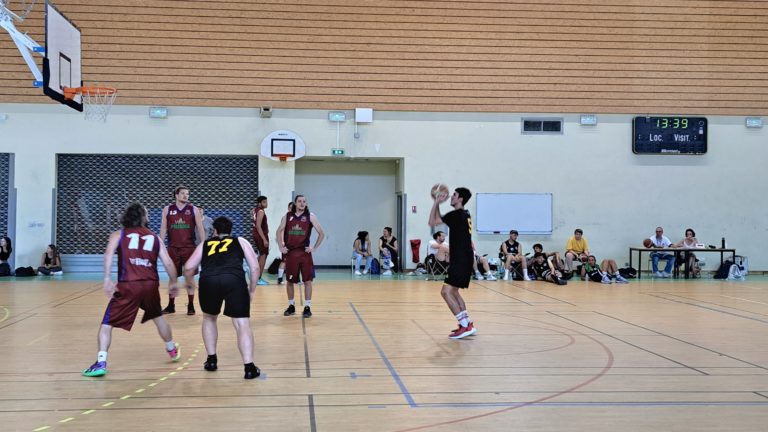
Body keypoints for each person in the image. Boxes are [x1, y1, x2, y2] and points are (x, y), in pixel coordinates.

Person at [82, 203, 181, 377]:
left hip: (128, 284)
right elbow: (168, 262)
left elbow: (108, 254)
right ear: (144, 217)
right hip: (150, 285)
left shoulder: (118, 234)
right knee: (158, 318)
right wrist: (173, 282)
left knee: (107, 324)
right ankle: (171, 349)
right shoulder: (155, 237)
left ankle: (101, 362)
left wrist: (107, 278)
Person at [183, 216, 262, 379]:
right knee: (242, 323)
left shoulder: (205, 244)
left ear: (215, 231)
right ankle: (249, 367)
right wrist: (252, 290)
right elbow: (255, 268)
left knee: (209, 318)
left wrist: (190, 283)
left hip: (209, 279)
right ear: (230, 230)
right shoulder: (240, 241)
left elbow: (189, 267)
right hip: (233, 279)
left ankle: (211, 360)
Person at [429, 185, 477, 340]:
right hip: (465, 258)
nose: (451, 197)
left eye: (454, 195)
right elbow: (439, 220)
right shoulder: (465, 214)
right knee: (454, 291)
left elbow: (432, 221)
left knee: (445, 292)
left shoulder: (456, 214)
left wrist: (436, 202)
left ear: (460, 199)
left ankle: (464, 326)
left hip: (461, 259)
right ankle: (467, 324)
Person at [276, 195, 325, 318]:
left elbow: (321, 233)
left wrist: (314, 248)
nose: (302, 203)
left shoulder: (310, 216)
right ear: (295, 203)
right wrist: (280, 247)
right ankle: (291, 306)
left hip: (304, 254)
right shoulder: (287, 216)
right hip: (291, 253)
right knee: (289, 281)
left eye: (304, 201)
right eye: (299, 201)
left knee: (307, 281)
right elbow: (278, 231)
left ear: (306, 203)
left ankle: (307, 307)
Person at [160, 185, 206, 315]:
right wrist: (161, 245)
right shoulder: (167, 209)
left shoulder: (194, 209)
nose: (186, 196)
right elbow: (163, 228)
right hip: (173, 248)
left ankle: (191, 305)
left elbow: (200, 228)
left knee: (189, 278)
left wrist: (203, 244)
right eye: (183, 193)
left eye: (187, 193)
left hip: (189, 248)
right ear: (176, 195)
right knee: (172, 277)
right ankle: (171, 305)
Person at [251, 196, 270, 285]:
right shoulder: (261, 211)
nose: (266, 203)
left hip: (257, 234)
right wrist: (264, 239)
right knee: (263, 255)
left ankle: (255, 277)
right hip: (260, 235)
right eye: (264, 202)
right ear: (259, 203)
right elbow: (258, 226)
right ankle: (258, 278)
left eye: (266, 202)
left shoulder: (255, 210)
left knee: (261, 255)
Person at [276, 202, 295, 285]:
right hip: (287, 243)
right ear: (288, 208)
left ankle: (294, 278)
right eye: (290, 207)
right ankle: (280, 279)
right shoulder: (285, 217)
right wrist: (282, 241)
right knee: (284, 261)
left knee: (295, 261)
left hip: (295, 243)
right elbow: (281, 230)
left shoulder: (297, 217)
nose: (291, 209)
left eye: (293, 207)